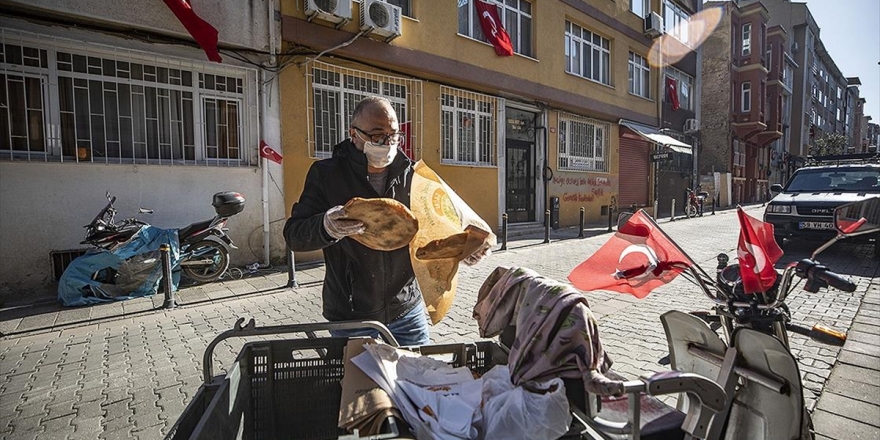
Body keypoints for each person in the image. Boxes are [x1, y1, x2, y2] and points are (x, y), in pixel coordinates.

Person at [284, 96, 489, 346]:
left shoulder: (413, 175)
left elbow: (433, 232)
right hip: (352, 316)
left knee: (416, 379)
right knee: (361, 384)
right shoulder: (327, 174)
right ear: (354, 134)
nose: (387, 142)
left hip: (406, 310)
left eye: (393, 135)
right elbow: (294, 235)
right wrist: (326, 226)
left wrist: (462, 251)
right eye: (377, 134)